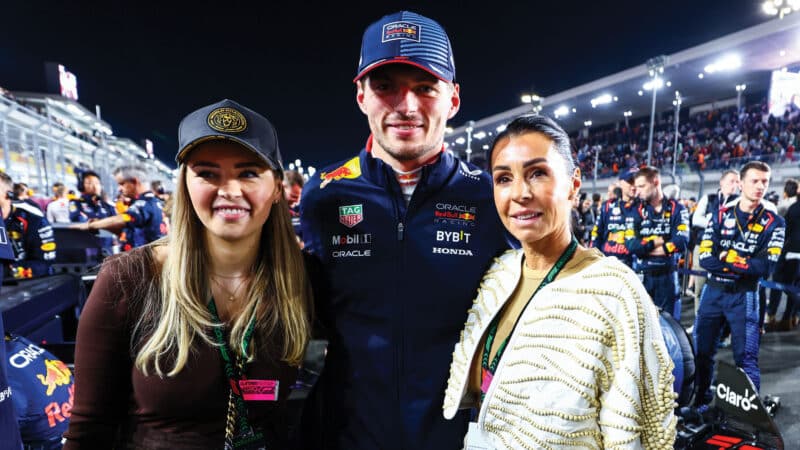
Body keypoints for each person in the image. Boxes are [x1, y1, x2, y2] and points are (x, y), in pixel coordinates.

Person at [299, 11, 511, 450]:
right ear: (361, 96)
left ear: (452, 99)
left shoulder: (488, 199)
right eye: (386, 86)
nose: (406, 106)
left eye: (425, 88)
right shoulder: (322, 193)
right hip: (349, 435)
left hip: (456, 438)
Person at [63, 99, 313, 449]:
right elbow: (88, 429)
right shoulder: (130, 278)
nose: (229, 190)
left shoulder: (301, 280)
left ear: (276, 189)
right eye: (207, 173)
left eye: (248, 173)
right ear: (185, 186)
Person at [443, 115, 675, 449]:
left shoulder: (616, 291)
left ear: (573, 184)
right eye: (504, 178)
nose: (520, 193)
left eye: (538, 173)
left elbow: (645, 432)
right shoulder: (498, 274)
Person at [693, 161, 785, 412]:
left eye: (765, 181)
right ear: (741, 183)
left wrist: (728, 258)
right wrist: (741, 262)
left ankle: (749, 414)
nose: (760, 186)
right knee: (702, 352)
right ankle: (699, 401)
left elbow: (765, 267)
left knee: (746, 358)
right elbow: (706, 258)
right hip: (713, 293)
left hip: (744, 296)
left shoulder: (774, 223)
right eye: (755, 181)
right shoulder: (721, 214)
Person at [626, 166, 690, 319]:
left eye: (642, 186)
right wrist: (660, 241)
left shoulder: (677, 209)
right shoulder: (636, 210)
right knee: (640, 325)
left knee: (669, 327)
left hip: (667, 276)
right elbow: (631, 245)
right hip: (643, 275)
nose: (638, 191)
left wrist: (645, 248)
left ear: (656, 182)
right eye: (636, 187)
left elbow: (681, 242)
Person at [72, 165, 167, 250]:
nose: (119, 189)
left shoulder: (144, 203)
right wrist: (103, 225)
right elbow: (125, 230)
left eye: (122, 184)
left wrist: (91, 225)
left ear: (134, 181)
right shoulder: (151, 202)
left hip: (146, 262)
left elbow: (123, 219)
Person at [690, 169, 739, 303]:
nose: (734, 185)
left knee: (721, 288)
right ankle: (698, 321)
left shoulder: (739, 203)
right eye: (731, 181)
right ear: (722, 182)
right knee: (699, 287)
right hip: (702, 246)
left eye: (737, 182)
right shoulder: (709, 198)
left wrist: (711, 221)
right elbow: (696, 220)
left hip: (725, 250)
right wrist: (718, 225)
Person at [1, 172, 56, 279]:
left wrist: (8, 272)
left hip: (29, 284)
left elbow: (42, 264)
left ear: (9, 194)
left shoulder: (32, 218)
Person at [766, 178, 799, 330]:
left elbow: (782, 231)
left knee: (779, 284)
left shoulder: (786, 207)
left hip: (787, 252)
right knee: (794, 286)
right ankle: (790, 317)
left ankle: (771, 316)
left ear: (785, 192)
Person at [590, 168, 638, 267]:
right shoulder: (607, 207)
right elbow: (596, 235)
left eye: (637, 182)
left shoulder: (645, 208)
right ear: (620, 183)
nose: (634, 186)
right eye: (630, 181)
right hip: (609, 265)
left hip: (634, 266)